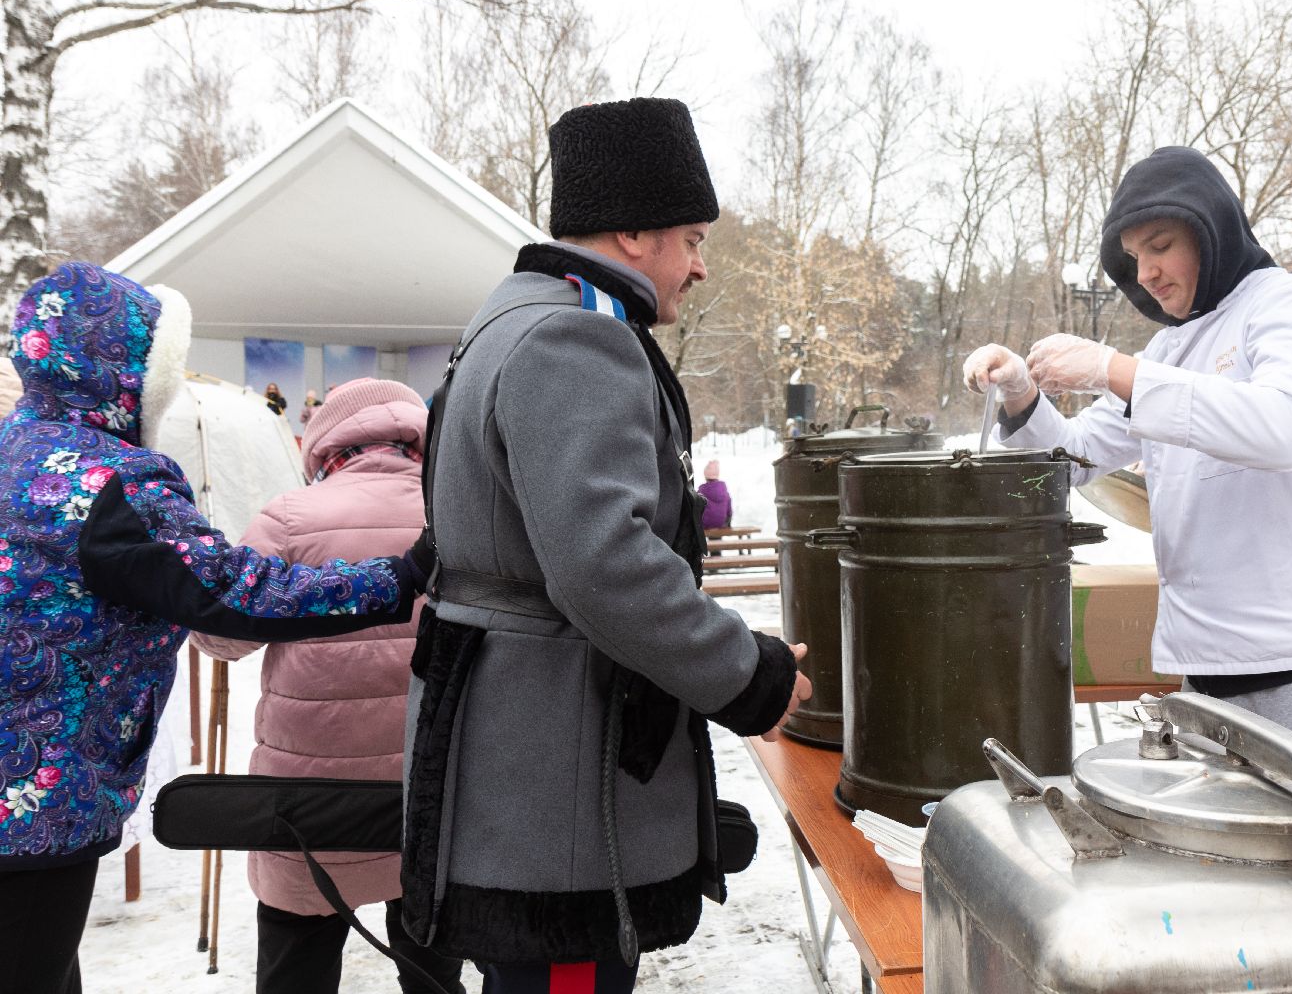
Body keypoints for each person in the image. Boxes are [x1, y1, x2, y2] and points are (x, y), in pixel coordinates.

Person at [401, 98, 810, 993]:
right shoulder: (575, 338)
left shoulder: (511, 323)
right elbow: (605, 566)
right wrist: (750, 673)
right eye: (693, 239)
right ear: (631, 231)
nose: (700, 267)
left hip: (519, 757)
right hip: (555, 784)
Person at [0, 263, 431, 994]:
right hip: (37, 789)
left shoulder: (15, 455)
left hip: (287, 797)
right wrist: (403, 574)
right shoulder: (109, 480)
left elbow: (225, 637)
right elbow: (232, 595)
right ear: (121, 371)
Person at [963, 146, 1292, 774]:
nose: (1146, 272)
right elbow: (1074, 460)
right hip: (1211, 665)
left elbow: (1284, 427)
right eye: (1134, 258)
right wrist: (1020, 394)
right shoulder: (1169, 348)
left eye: (1160, 245)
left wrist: (1112, 368)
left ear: (1212, 230)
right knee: (1237, 865)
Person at [190, 378, 465, 994]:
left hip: (308, 797)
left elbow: (223, 639)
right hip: (433, 784)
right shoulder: (456, 510)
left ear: (324, 443)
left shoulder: (289, 517)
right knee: (432, 968)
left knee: (297, 961)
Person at [698, 459, 732, 532]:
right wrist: (728, 521)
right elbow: (729, 510)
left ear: (706, 476)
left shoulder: (702, 490)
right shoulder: (724, 490)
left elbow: (697, 508)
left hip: (705, 524)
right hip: (721, 523)